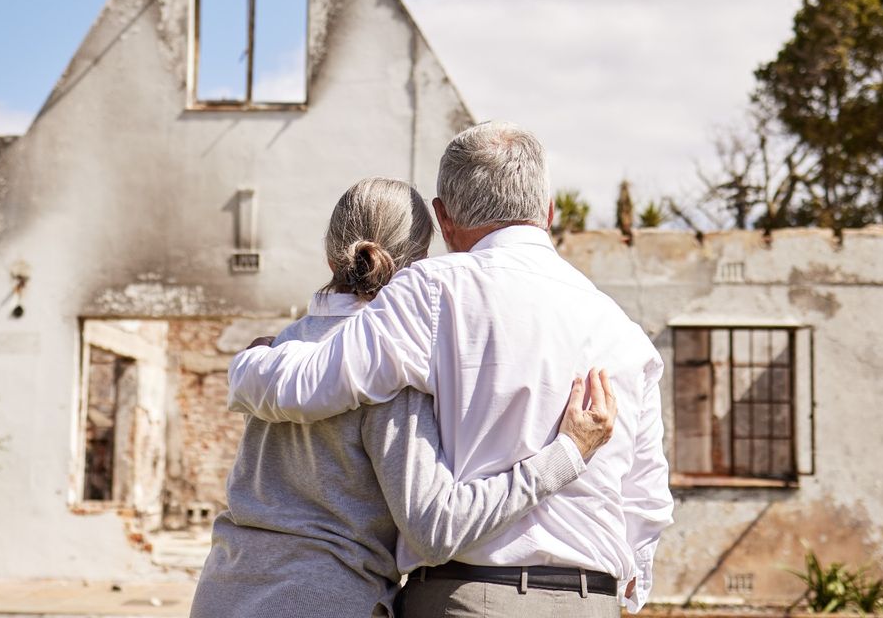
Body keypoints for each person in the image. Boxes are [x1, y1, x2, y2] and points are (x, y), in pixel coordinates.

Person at [228, 123, 674, 617]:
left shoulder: (432, 291)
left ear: (444, 217)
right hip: (593, 601)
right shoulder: (627, 333)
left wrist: (253, 362)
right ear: (548, 212)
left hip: (466, 595)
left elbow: (305, 388)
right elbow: (648, 502)